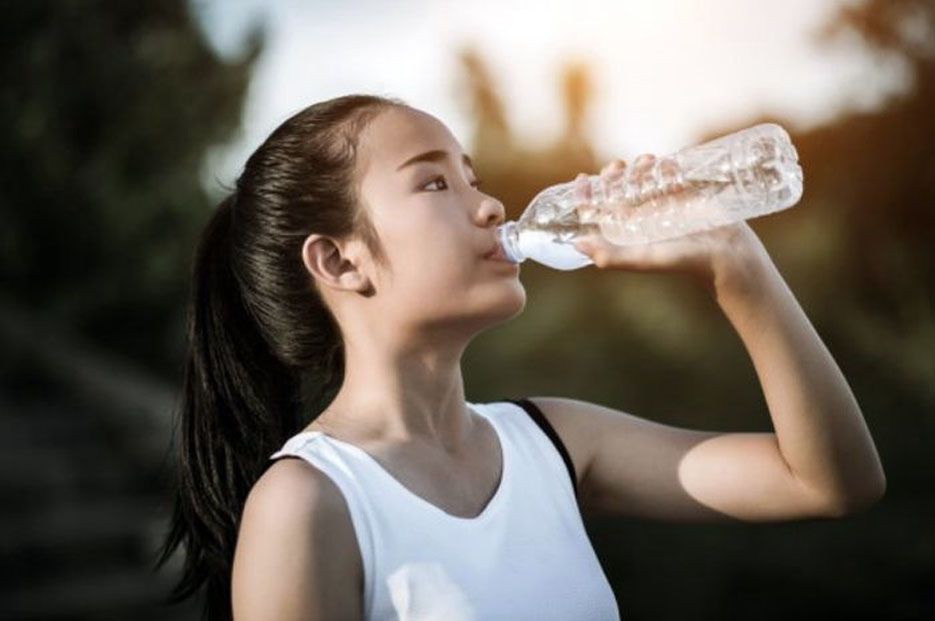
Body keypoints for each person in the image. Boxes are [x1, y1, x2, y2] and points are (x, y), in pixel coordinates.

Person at [156, 94, 886, 620]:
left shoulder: (555, 441)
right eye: (434, 182)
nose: (490, 206)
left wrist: (736, 266)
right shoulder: (308, 503)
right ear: (340, 261)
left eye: (473, 178)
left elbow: (829, 482)